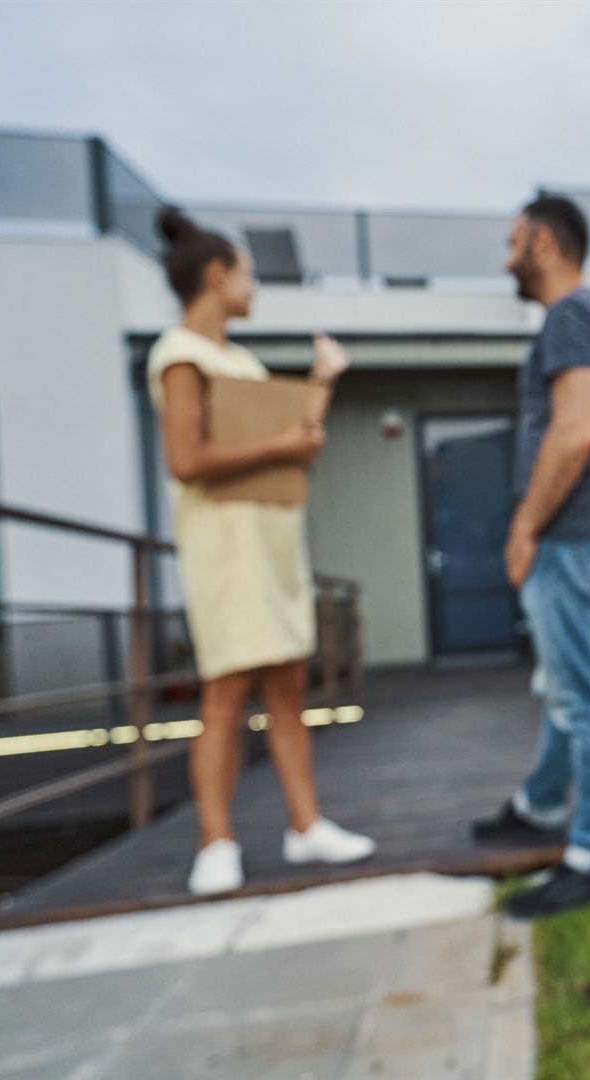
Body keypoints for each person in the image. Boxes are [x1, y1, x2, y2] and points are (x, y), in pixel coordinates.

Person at [148, 206, 375, 897]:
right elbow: (187, 459)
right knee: (224, 691)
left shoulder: (240, 361)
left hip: (272, 544)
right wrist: (281, 445)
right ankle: (215, 841)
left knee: (287, 687)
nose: (254, 289)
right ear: (216, 275)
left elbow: (292, 440)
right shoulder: (180, 354)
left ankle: (305, 826)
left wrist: (323, 379)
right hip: (223, 550)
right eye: (247, 275)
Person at [470, 196, 590, 918]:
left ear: (543, 242)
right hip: (582, 533)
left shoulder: (571, 318)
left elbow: (573, 435)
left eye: (512, 241)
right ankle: (540, 803)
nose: (505, 256)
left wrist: (524, 527)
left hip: (571, 538)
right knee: (568, 688)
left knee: (588, 701)